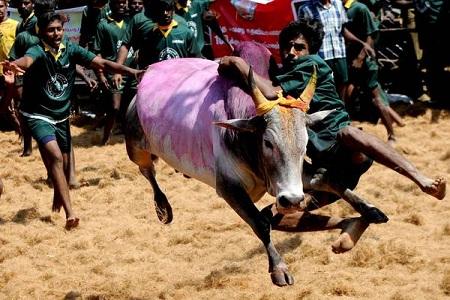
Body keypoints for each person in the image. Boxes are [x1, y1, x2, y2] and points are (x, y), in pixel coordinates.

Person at [218, 19, 446, 203]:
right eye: (287, 46)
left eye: (299, 47)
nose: (291, 52)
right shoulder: (286, 73)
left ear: (311, 50)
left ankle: (421, 179)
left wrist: (239, 64)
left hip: (344, 149)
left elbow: (268, 92)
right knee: (286, 209)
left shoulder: (311, 65)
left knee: (348, 133)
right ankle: (353, 229)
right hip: (321, 158)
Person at [2, 11, 144, 229]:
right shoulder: (37, 50)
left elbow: (102, 63)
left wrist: (132, 71)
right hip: (37, 115)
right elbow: (27, 60)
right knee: (56, 158)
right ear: (41, 31)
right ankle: (71, 215)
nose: (56, 33)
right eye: (51, 30)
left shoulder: (70, 49)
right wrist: (14, 65)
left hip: (61, 116)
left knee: (65, 167)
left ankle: (59, 194)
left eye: (59, 29)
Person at [343, 0, 404, 142]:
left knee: (376, 98)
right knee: (348, 93)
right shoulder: (340, 8)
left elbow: (371, 34)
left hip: (365, 61)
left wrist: (361, 57)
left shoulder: (360, 8)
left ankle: (392, 135)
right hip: (350, 60)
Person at [297, 0, 375, 100]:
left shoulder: (338, 4)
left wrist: (362, 43)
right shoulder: (305, 9)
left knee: (343, 85)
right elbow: (303, 36)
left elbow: (342, 30)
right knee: (324, 89)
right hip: (321, 57)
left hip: (339, 54)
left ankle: (340, 112)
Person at [93, 0, 132, 145]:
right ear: (111, 4)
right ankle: (106, 136)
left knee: (132, 107)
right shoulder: (103, 25)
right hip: (112, 72)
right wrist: (101, 75)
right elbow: (97, 53)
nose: (121, 5)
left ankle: (129, 135)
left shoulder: (131, 21)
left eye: (124, 2)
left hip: (131, 70)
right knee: (114, 107)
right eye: (118, 2)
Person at [414, 0, 449, 109]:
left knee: (435, 67)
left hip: (441, 29)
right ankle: (439, 98)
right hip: (430, 31)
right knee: (434, 67)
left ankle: (441, 98)